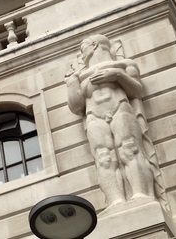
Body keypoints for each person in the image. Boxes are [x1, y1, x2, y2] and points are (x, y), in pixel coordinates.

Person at [65, 34, 156, 209]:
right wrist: (71, 83)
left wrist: (117, 76)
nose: (81, 56)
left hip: (120, 109)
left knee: (130, 149)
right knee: (103, 157)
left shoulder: (125, 65)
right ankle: (116, 201)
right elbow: (77, 106)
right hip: (94, 117)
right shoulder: (81, 75)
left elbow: (137, 91)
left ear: (93, 46)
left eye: (83, 50)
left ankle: (140, 193)